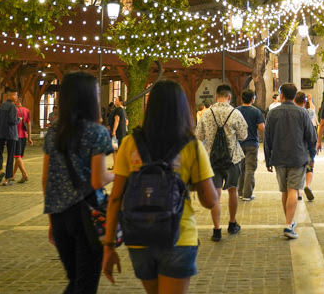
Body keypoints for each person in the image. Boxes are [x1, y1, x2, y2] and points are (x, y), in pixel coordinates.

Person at [102, 80, 218, 294]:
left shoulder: (130, 143)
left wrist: (109, 245)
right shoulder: (192, 145)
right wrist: (186, 182)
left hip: (138, 237)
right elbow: (210, 200)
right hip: (179, 236)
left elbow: (116, 198)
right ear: (183, 109)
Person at [42, 71, 115, 293]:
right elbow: (97, 179)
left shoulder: (54, 132)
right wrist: (118, 173)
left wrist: (52, 220)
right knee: (85, 284)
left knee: (74, 280)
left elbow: (46, 180)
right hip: (87, 215)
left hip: (59, 213)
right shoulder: (97, 132)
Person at [195, 84, 247, 242]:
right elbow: (244, 135)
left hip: (211, 160)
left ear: (216, 97)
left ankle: (216, 230)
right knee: (233, 191)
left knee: (215, 194)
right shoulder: (235, 113)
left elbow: (198, 136)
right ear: (229, 97)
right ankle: (232, 224)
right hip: (232, 159)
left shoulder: (206, 113)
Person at [264, 83, 315, 239]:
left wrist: (268, 159)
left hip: (278, 156)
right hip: (298, 157)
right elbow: (311, 136)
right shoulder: (302, 113)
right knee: (293, 189)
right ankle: (288, 225)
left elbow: (267, 138)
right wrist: (311, 156)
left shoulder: (272, 113)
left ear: (281, 95)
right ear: (294, 96)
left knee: (285, 190)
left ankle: (289, 222)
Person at [236, 89, 265, 202]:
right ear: (253, 99)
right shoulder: (256, 112)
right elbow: (261, 127)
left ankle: (240, 191)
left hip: (239, 143)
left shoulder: (236, 111)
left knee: (241, 168)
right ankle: (247, 194)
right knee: (250, 169)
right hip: (252, 143)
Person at [0, 91, 19, 186]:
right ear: (11, 96)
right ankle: (7, 179)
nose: (16, 97)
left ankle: (0, 170)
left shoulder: (0, 107)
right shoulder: (13, 107)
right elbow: (12, 121)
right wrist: (19, 120)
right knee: (10, 155)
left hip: (0, 134)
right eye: (16, 95)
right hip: (11, 134)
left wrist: (0, 128)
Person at [295, 91, 317, 201]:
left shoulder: (293, 112)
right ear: (304, 101)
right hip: (307, 144)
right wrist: (310, 100)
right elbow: (313, 109)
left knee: (297, 169)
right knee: (309, 168)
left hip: (295, 144)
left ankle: (298, 192)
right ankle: (308, 185)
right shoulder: (307, 112)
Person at [14, 93, 33, 183]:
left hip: (15, 136)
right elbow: (29, 125)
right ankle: (12, 176)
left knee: (17, 156)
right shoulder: (27, 110)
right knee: (19, 157)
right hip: (24, 136)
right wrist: (29, 137)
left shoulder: (14, 110)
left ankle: (25, 174)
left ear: (17, 100)